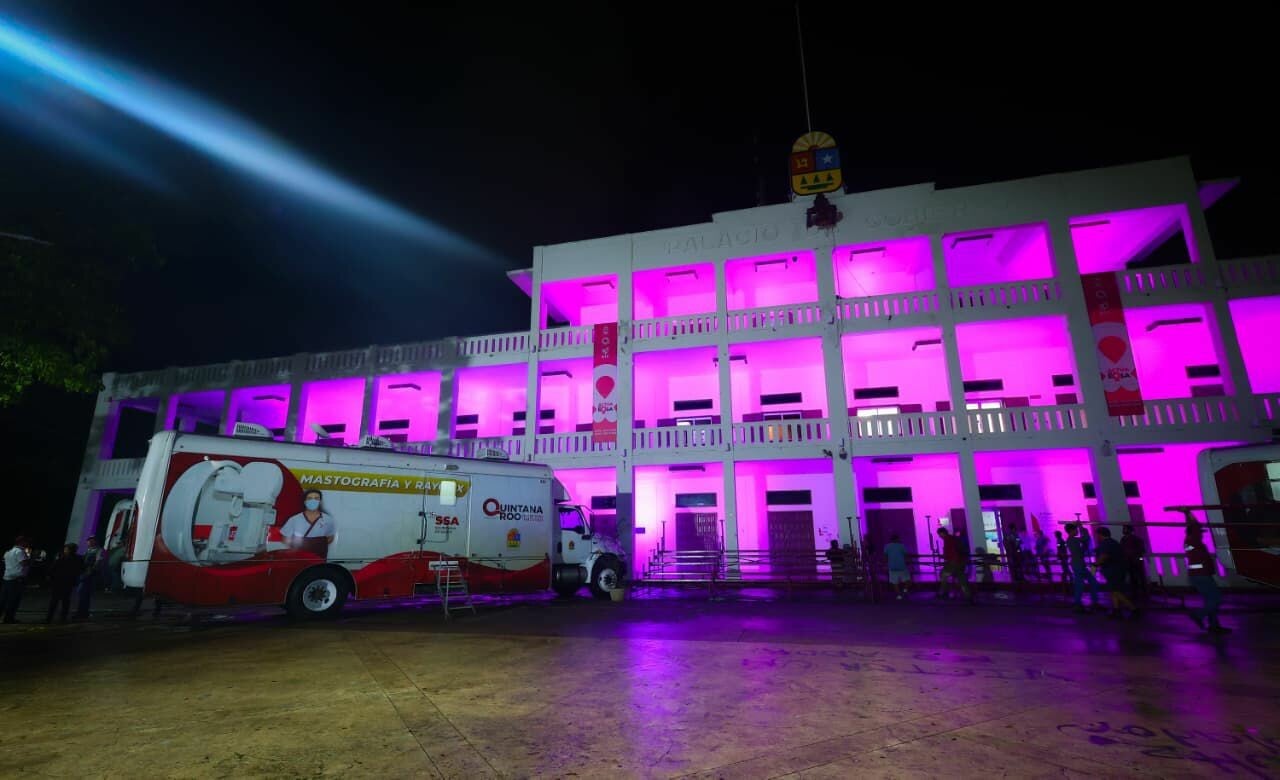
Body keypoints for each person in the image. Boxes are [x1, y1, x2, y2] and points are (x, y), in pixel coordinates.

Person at [1185, 525, 1229, 634]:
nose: (1202, 534)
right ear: (1194, 533)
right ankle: (1199, 614)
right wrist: (1187, 513)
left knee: (1210, 600)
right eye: (1200, 532)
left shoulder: (1190, 542)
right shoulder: (1193, 541)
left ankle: (1214, 625)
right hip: (1202, 575)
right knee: (1216, 598)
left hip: (1199, 575)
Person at [280, 489, 337, 558]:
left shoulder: (328, 519)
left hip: (319, 556)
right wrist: (296, 549)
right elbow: (285, 537)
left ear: (320, 502)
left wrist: (317, 545)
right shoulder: (294, 519)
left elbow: (330, 537)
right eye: (309, 498)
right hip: (298, 555)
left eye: (316, 498)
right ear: (305, 501)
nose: (313, 501)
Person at [1094, 528, 1137, 618]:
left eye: (1097, 535)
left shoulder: (1105, 544)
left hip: (1113, 570)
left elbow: (1104, 556)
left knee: (1115, 591)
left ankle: (1133, 608)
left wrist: (1095, 565)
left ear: (1101, 535)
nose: (1097, 537)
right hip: (1119, 569)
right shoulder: (1113, 542)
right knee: (1113, 590)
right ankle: (1116, 610)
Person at [1066, 523, 1100, 612]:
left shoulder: (1072, 540)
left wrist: (1081, 529)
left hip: (1080, 564)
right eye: (1075, 529)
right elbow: (1086, 538)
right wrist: (1082, 528)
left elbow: (1083, 545)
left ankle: (1093, 602)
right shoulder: (1072, 540)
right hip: (1078, 564)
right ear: (1071, 531)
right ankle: (1078, 604)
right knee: (1080, 585)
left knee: (1092, 582)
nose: (1076, 531)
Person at [46, 543, 83, 623]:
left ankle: (49, 618)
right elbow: (80, 569)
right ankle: (63, 618)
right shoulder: (78, 558)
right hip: (69, 582)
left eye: (66, 549)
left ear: (69, 550)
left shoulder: (62, 557)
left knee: (54, 601)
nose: (65, 550)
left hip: (59, 582)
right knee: (65, 601)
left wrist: (50, 576)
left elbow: (53, 567)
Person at [936, 527, 972, 602]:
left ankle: (944, 591)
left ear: (942, 533)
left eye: (939, 534)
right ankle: (967, 595)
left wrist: (946, 558)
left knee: (943, 574)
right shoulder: (954, 538)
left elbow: (950, 552)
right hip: (961, 561)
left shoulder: (948, 540)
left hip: (953, 562)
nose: (940, 536)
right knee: (961, 578)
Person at [1, 536, 31, 623]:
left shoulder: (8, 552)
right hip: (16, 580)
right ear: (22, 542)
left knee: (3, 600)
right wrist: (29, 558)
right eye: (26, 542)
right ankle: (8, 618)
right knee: (14, 600)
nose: (28, 544)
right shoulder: (20, 552)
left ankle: (4, 617)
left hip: (7, 578)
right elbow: (24, 563)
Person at [75, 538, 105, 620]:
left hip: (91, 575)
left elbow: (98, 562)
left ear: (95, 541)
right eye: (88, 540)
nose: (88, 542)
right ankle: (82, 613)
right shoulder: (88, 550)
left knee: (84, 594)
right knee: (83, 594)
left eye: (91, 540)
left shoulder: (99, 550)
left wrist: (90, 571)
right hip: (85, 574)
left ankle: (82, 613)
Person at [1120, 525, 1147, 601]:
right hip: (1130, 561)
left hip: (1135, 561)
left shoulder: (1135, 539)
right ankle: (1136, 593)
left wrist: (1139, 559)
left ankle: (1142, 593)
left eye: (1125, 529)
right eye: (1124, 529)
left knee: (1139, 577)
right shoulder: (1124, 539)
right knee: (1134, 577)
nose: (1124, 530)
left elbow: (1141, 551)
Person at [883, 534, 910, 600]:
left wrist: (885, 564)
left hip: (892, 567)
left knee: (895, 582)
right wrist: (908, 562)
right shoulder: (901, 546)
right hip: (902, 566)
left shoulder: (887, 546)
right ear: (897, 539)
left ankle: (899, 595)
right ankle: (905, 590)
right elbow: (906, 555)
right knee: (908, 580)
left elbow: (885, 557)